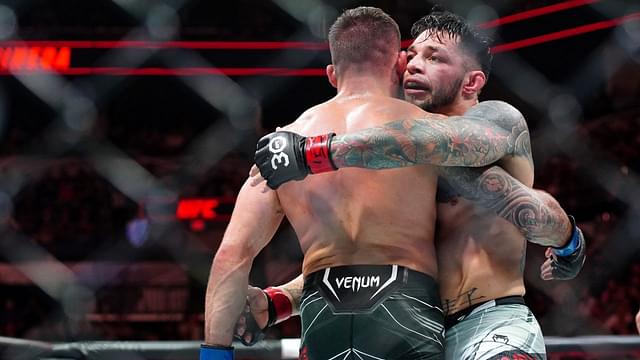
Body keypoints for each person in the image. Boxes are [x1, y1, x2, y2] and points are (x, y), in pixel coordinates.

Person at [250, 9, 586, 360]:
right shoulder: (384, 153)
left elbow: (443, 144)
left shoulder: (497, 119)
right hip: (416, 330)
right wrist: (279, 301)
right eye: (411, 56)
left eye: (434, 57)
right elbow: (368, 262)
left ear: (471, 83)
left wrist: (311, 151)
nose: (414, 64)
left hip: (491, 324)